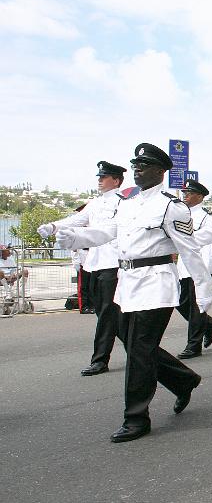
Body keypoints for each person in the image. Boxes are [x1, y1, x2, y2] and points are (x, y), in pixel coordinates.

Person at [55, 143, 212, 442]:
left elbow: (190, 251)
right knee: (135, 345)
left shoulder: (171, 206)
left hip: (156, 283)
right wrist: (73, 237)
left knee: (139, 351)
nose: (137, 169)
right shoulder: (127, 203)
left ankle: (136, 417)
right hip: (127, 284)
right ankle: (183, 380)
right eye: (135, 164)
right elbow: (106, 233)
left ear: (161, 171)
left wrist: (204, 291)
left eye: (144, 165)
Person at [39, 161, 126, 376]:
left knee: (107, 313)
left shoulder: (124, 203)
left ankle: (100, 360)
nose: (99, 180)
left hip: (112, 263)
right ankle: (139, 349)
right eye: (99, 176)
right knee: (105, 313)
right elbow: (76, 220)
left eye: (104, 177)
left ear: (115, 180)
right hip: (94, 263)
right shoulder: (95, 203)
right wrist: (53, 227)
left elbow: (106, 232)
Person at [174, 179, 212, 359]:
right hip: (184, 265)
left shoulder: (206, 216)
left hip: (200, 264)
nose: (185, 195)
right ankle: (208, 324)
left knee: (196, 307)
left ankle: (193, 345)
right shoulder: (178, 214)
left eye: (189, 193)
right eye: (184, 192)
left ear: (200, 196)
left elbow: (210, 239)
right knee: (180, 302)